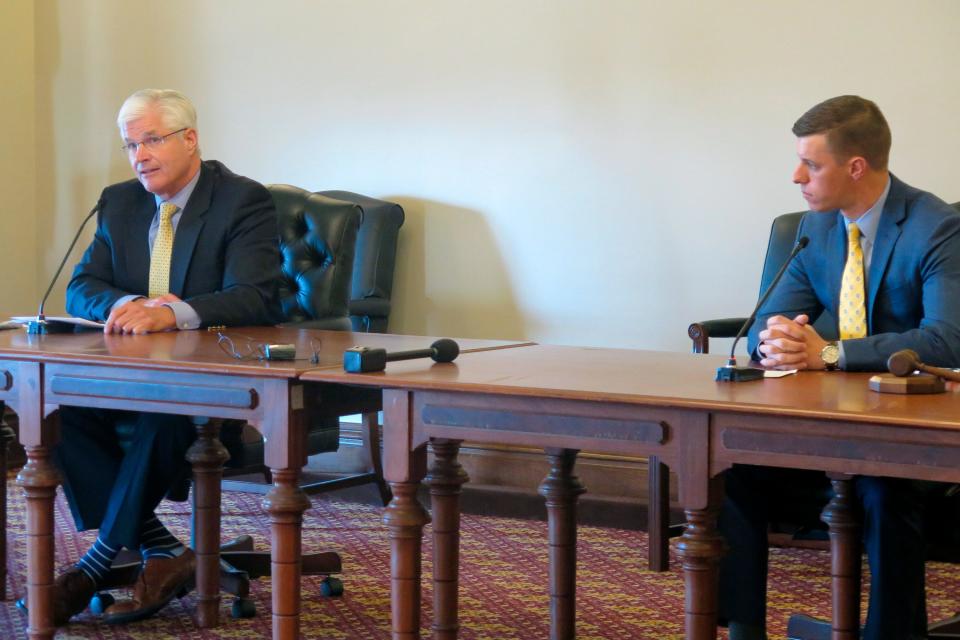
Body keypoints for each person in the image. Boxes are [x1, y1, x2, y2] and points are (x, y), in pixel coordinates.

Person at [17, 88, 281, 626]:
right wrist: (127, 303)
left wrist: (174, 312)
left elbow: (257, 295)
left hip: (212, 385)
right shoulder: (121, 201)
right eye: (130, 145)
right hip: (127, 375)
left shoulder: (241, 200)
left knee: (167, 412)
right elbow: (82, 286)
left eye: (152, 140)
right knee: (56, 408)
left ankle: (92, 566)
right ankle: (162, 550)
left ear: (190, 140)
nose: (140, 156)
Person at [720, 95, 960, 640]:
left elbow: (949, 340)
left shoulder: (937, 227)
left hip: (912, 429)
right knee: (732, 469)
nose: (796, 175)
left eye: (813, 164)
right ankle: (742, 629)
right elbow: (771, 319)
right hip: (823, 423)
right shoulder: (813, 228)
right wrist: (776, 339)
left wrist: (827, 353)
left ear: (856, 167)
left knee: (883, 488)